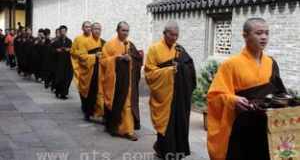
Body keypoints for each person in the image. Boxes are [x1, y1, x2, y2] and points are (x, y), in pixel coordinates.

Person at [207, 18, 288, 160]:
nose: (264, 37)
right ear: (245, 35)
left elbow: (279, 92)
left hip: (265, 125)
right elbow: (214, 96)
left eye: (266, 33)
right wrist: (232, 100)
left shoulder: (271, 63)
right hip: (241, 125)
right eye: (259, 33)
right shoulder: (231, 64)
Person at [144, 21, 196, 159]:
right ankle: (164, 151)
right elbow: (149, 74)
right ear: (164, 33)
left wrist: (181, 69)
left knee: (178, 122)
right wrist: (169, 71)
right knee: (166, 124)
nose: (174, 38)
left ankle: (177, 150)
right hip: (164, 94)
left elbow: (190, 67)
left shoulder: (179, 49)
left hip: (179, 94)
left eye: (176, 35)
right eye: (171, 34)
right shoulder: (154, 49)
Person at [101, 21, 143, 141]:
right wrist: (117, 58)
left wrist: (135, 58)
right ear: (117, 30)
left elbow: (137, 60)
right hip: (115, 83)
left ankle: (128, 130)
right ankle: (115, 128)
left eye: (127, 31)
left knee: (128, 105)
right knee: (119, 104)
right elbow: (103, 61)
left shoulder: (130, 45)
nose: (125, 33)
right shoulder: (109, 45)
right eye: (123, 30)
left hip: (129, 81)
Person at [77, 22, 106, 121]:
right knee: (90, 94)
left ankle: (101, 114)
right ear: (91, 30)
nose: (97, 31)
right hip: (90, 73)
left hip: (101, 72)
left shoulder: (103, 42)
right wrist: (94, 56)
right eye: (95, 29)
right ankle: (88, 113)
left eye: (99, 29)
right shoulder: (84, 42)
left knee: (100, 94)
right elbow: (81, 57)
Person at [52, 25, 73, 99]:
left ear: (66, 31)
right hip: (59, 63)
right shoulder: (56, 42)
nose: (63, 32)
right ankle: (58, 92)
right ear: (60, 32)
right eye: (61, 31)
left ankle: (64, 93)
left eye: (64, 31)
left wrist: (69, 50)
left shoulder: (69, 41)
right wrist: (57, 50)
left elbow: (72, 50)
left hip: (67, 63)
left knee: (66, 78)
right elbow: (51, 51)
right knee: (59, 78)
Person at [71, 21, 92, 88]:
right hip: (80, 66)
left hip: (91, 66)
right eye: (86, 27)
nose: (88, 28)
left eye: (89, 27)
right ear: (82, 28)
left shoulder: (94, 39)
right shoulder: (78, 39)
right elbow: (72, 51)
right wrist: (81, 53)